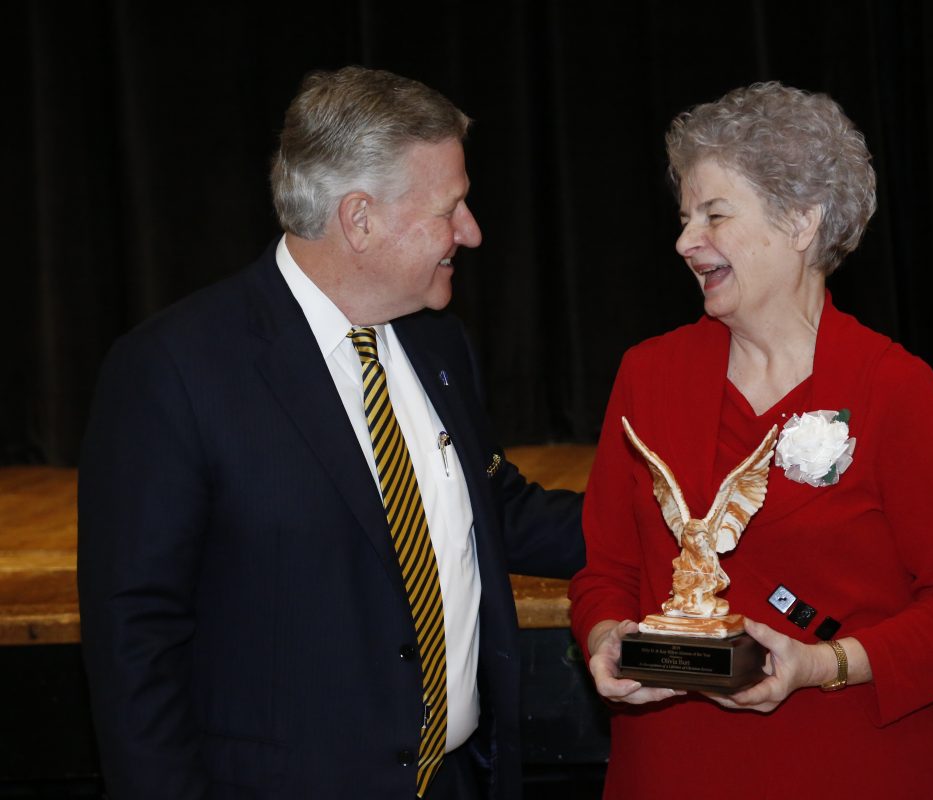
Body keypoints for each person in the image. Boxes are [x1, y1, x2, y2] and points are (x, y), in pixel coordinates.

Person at [77, 66, 584, 800]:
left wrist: (681, 523)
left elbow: (489, 509)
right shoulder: (174, 370)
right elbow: (135, 643)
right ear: (360, 219)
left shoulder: (437, 342)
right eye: (452, 208)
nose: (470, 233)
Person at [569, 82, 933, 798]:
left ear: (803, 220)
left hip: (851, 767)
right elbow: (604, 573)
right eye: (685, 218)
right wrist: (603, 641)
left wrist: (823, 663)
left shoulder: (893, 389)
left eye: (715, 215)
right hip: (673, 769)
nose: (686, 241)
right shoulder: (647, 376)